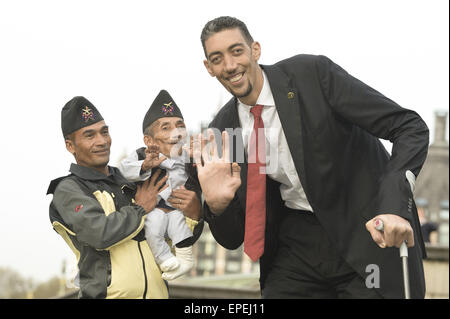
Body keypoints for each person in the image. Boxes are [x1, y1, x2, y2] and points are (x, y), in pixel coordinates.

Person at [194, 16, 429, 298]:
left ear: (255, 50)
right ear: (209, 68)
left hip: (365, 232)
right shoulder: (223, 131)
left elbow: (409, 127)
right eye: (217, 58)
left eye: (236, 51)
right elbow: (232, 239)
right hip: (297, 247)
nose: (230, 66)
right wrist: (217, 206)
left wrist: (393, 205)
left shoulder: (311, 74)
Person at [46, 96, 200, 298]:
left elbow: (167, 238)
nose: (101, 141)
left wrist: (193, 215)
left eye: (104, 132)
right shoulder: (69, 189)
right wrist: (140, 209)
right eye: (89, 135)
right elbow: (99, 234)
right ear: (70, 146)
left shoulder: (133, 180)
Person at [119, 89, 204, 281]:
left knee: (179, 226)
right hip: (152, 214)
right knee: (154, 225)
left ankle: (185, 258)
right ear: (149, 140)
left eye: (180, 127)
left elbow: (200, 208)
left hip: (174, 211)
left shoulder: (191, 161)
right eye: (166, 128)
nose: (175, 133)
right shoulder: (141, 155)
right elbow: (122, 172)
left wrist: (195, 213)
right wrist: (145, 165)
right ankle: (165, 258)